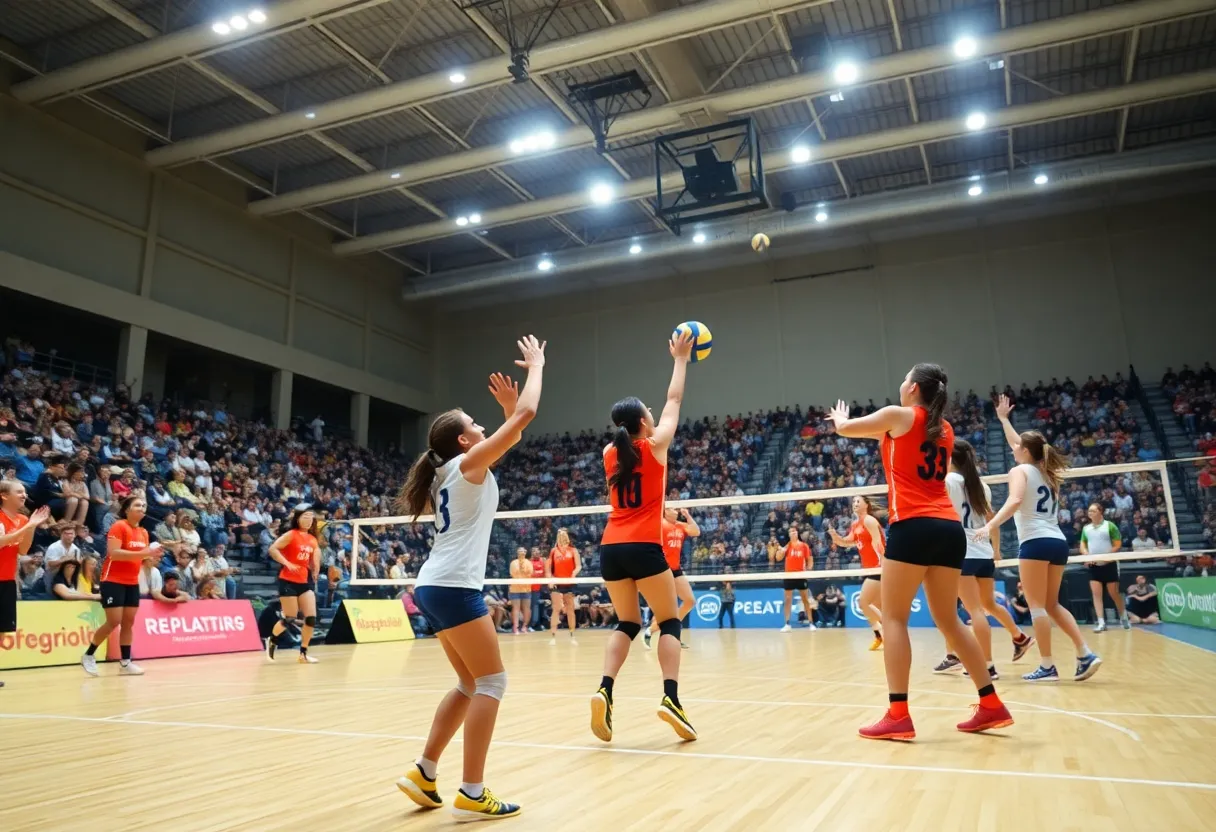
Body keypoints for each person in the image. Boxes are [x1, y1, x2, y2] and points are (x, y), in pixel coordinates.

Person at [394, 335, 544, 822]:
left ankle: (424, 770)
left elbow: (512, 431)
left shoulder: (453, 468)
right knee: (492, 682)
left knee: (467, 682)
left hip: (435, 585)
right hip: (454, 586)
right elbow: (525, 420)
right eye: (474, 425)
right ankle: (473, 790)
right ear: (463, 441)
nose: (481, 427)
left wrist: (505, 416)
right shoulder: (467, 463)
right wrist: (536, 369)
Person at [828, 363, 1012, 740]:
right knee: (949, 620)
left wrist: (841, 419)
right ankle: (991, 703)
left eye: (904, 377)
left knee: (893, 619)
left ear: (912, 387)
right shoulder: (944, 429)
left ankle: (898, 714)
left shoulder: (899, 415)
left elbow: (846, 430)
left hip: (912, 525)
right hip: (948, 528)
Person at [590, 329, 697, 745]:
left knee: (627, 621)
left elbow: (658, 409)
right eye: (648, 412)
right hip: (644, 544)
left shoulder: (608, 453)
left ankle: (605, 689)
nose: (656, 412)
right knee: (669, 619)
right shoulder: (655, 446)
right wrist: (681, 359)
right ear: (642, 423)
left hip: (610, 545)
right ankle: (671, 698)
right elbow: (674, 400)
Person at [976, 394, 1101, 682]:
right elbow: (1017, 444)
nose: (1013, 447)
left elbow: (1016, 499)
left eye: (1017, 446)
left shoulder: (1019, 470)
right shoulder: (1047, 474)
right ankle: (1085, 654)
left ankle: (1047, 666)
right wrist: (1004, 419)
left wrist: (990, 524)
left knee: (1037, 606)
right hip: (1057, 543)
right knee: (1052, 604)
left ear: (1024, 451)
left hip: (1034, 542)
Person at [936, 438, 1034, 679]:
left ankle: (987, 666)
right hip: (984, 552)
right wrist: (997, 550)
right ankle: (1019, 637)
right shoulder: (981, 485)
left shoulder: (948, 481)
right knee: (987, 605)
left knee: (974, 611)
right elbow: (993, 519)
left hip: (962, 551)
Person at [83, 495, 161, 677]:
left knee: (128, 623)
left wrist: (151, 555)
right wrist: (143, 552)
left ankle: (125, 663)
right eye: (137, 505)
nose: (142, 507)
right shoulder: (119, 526)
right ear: (127, 509)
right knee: (114, 621)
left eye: (144, 505)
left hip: (132, 581)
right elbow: (114, 553)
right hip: (113, 580)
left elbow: (140, 556)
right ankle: (88, 655)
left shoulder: (143, 532)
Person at [1, 482, 50, 687]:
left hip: (6, 581)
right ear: (3, 495)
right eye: (19, 491)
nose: (24, 495)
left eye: (25, 491)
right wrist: (30, 525)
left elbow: (23, 549)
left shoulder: (21, 519)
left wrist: (31, 525)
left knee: (2, 630)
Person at [264, 504, 322, 664]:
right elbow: (273, 549)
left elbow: (315, 555)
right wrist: (287, 563)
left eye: (311, 517)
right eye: (305, 517)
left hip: (304, 581)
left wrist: (315, 568)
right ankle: (272, 640)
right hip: (288, 581)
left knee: (311, 619)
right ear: (298, 519)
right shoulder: (291, 534)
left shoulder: (312, 539)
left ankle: (303, 654)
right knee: (289, 618)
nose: (309, 520)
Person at [829, 496, 886, 649]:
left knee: (863, 603)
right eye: (853, 501)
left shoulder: (869, 521)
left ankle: (888, 632)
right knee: (875, 606)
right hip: (869, 568)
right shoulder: (855, 524)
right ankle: (879, 635)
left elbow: (878, 542)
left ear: (866, 505)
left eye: (858, 501)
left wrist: (883, 564)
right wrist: (835, 537)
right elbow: (846, 542)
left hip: (878, 567)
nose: (855, 503)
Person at [644, 508, 699, 649]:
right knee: (668, 609)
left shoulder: (680, 525)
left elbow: (696, 531)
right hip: (661, 570)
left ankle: (657, 629)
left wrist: (687, 515)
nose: (675, 510)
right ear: (664, 512)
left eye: (675, 509)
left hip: (675, 569)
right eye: (671, 508)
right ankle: (665, 633)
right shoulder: (659, 524)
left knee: (690, 601)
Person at [1080, 503, 1129, 632]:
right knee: (1096, 594)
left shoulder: (1110, 526)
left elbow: (1117, 544)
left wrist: (1107, 556)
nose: (1090, 513)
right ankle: (1101, 622)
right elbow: (1083, 545)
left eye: (1093, 511)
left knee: (1114, 593)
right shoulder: (1086, 529)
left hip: (1109, 564)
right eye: (1089, 511)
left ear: (1100, 512)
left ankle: (1123, 616)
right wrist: (1086, 556)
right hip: (1094, 565)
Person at [547, 528, 582, 645]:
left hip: (569, 583)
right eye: (560, 535)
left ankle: (572, 636)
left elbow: (578, 566)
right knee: (556, 608)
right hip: (557, 583)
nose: (562, 537)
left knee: (570, 609)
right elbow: (548, 568)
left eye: (564, 535)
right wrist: (550, 579)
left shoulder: (573, 550)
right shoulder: (553, 551)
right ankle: (553, 636)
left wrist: (573, 574)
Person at [775, 525, 813, 632]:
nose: (793, 533)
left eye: (795, 531)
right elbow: (778, 558)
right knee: (787, 600)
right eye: (791, 531)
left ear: (797, 533)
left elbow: (809, 559)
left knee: (805, 599)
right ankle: (787, 624)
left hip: (801, 575)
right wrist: (781, 551)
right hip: (789, 575)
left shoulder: (804, 546)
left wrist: (809, 570)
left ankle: (811, 623)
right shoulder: (787, 546)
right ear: (789, 535)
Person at [507, 548, 531, 635]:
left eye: (523, 551)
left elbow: (529, 573)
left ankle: (525, 626)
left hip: (526, 588)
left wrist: (523, 570)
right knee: (516, 608)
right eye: (520, 551)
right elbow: (513, 574)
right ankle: (515, 627)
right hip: (515, 589)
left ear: (525, 553)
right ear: (517, 553)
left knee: (526, 608)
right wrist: (521, 569)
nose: (522, 553)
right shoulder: (513, 563)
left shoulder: (528, 562)